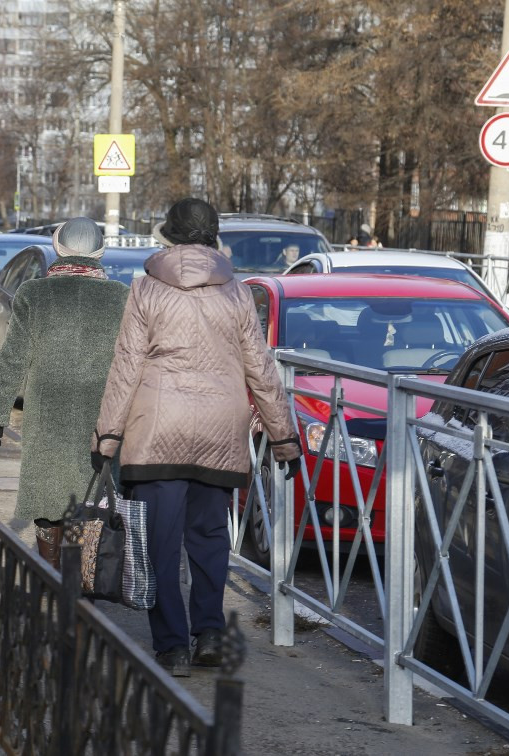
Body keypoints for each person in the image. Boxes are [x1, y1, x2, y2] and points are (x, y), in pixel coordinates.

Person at [93, 198, 302, 677]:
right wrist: (283, 436)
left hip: (156, 434)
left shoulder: (145, 289)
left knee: (158, 545)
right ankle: (208, 632)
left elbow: (127, 365)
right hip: (219, 432)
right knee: (209, 539)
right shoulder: (235, 294)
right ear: (213, 237)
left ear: (169, 235)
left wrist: (107, 435)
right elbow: (261, 370)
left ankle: (172, 647)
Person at [0, 218, 129, 568]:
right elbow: (131, 362)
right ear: (100, 251)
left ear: (57, 247)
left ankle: (51, 576)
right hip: (102, 418)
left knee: (48, 504)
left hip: (48, 417)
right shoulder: (120, 296)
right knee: (93, 502)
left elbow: (13, 356)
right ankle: (83, 583)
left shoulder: (34, 293)